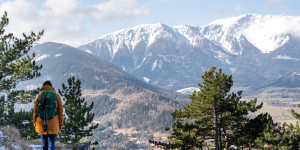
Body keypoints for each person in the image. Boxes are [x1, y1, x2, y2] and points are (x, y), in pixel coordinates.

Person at [33, 81, 63, 150]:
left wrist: (35, 123)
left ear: (43, 87)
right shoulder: (56, 96)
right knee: (51, 144)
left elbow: (35, 111)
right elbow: (60, 112)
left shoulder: (40, 96)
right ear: (51, 87)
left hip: (41, 123)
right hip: (53, 124)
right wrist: (60, 124)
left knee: (44, 144)